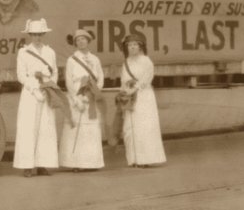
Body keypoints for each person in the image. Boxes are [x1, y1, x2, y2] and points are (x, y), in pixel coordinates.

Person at [14, 19, 59, 178]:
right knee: (28, 128)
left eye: (40, 34)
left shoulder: (50, 52)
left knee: (46, 128)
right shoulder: (23, 52)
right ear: (29, 35)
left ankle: (43, 165)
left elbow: (54, 73)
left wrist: (49, 86)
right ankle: (27, 165)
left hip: (46, 89)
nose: (37, 38)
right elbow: (21, 75)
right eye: (34, 35)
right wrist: (33, 89)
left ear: (44, 34)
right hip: (30, 92)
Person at [117, 33, 166, 168]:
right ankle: (134, 159)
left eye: (135, 45)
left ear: (140, 47)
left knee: (145, 126)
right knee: (130, 127)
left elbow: (147, 78)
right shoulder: (126, 62)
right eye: (130, 45)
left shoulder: (146, 60)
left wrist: (134, 88)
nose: (132, 47)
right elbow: (123, 79)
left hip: (144, 96)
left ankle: (146, 159)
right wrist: (124, 90)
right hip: (130, 97)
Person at [59, 29, 105, 172]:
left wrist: (92, 93)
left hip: (91, 96)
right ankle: (76, 163)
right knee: (76, 128)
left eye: (83, 39)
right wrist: (76, 98)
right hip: (77, 98)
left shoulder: (95, 59)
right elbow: (69, 81)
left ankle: (91, 163)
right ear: (75, 44)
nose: (81, 42)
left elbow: (101, 78)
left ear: (88, 41)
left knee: (90, 128)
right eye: (78, 40)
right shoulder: (71, 60)